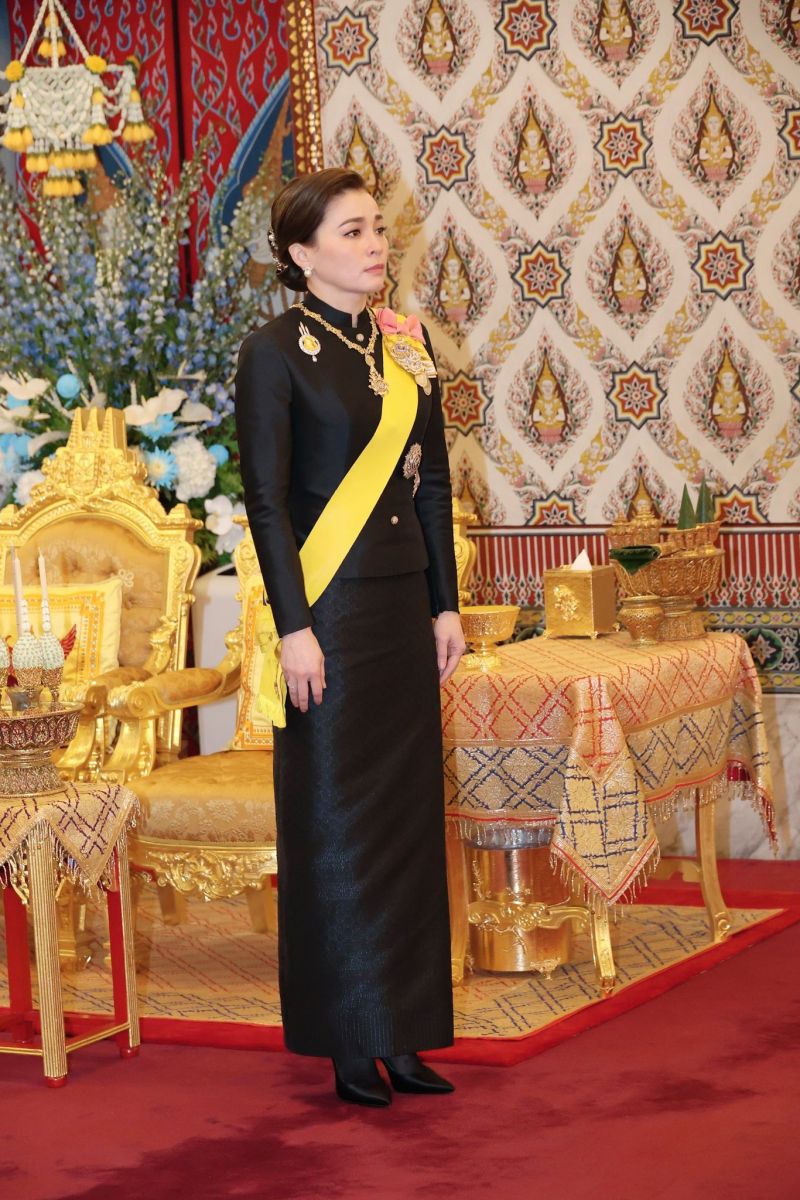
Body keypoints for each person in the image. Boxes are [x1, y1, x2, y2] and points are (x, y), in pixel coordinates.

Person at [234, 167, 466, 1108]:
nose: (376, 244)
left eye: (377, 228)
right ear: (302, 253)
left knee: (405, 823)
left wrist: (445, 605)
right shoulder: (272, 353)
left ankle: (403, 1036)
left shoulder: (406, 344)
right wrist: (292, 627)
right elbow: (266, 501)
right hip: (325, 616)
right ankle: (347, 1040)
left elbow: (434, 483)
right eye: (353, 231)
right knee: (335, 824)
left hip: (401, 610)